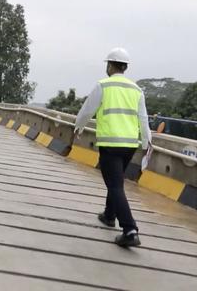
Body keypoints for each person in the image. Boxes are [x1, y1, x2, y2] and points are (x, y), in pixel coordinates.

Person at [73, 47, 152, 247]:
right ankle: (109, 215)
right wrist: (146, 143)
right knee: (116, 181)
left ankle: (130, 229)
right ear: (125, 67)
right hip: (129, 145)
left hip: (110, 143)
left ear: (109, 65)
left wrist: (78, 128)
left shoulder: (103, 85)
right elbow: (143, 119)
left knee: (115, 185)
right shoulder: (136, 90)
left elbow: (86, 111)